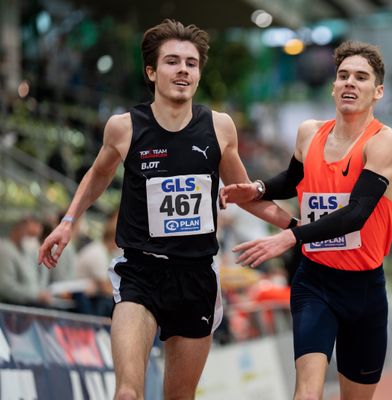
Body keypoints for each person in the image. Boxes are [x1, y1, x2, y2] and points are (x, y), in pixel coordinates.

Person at [38, 19, 294, 400]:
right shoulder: (124, 128)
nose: (183, 70)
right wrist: (68, 222)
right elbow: (97, 175)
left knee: (179, 396)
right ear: (152, 71)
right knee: (127, 393)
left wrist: (300, 230)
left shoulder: (220, 128)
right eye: (172, 62)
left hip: (196, 276)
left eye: (191, 63)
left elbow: (244, 194)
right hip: (140, 272)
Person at [220, 41, 392, 400]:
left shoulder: (384, 143)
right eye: (343, 76)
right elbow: (291, 181)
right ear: (333, 86)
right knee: (307, 392)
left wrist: (291, 236)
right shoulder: (309, 133)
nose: (350, 83)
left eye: (361, 78)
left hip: (364, 289)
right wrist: (256, 188)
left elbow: (355, 214)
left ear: (377, 91)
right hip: (315, 282)